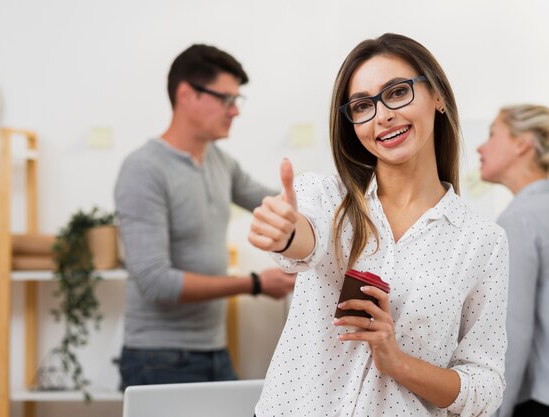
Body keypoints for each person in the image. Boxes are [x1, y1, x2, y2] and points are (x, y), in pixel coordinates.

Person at [247, 33, 509, 416]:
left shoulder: (481, 241)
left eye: (398, 93)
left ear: (436, 96)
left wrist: (398, 362)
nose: (382, 115)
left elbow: (485, 387)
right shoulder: (325, 197)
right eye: (361, 106)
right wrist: (286, 234)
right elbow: (305, 242)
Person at [114, 44, 296, 389]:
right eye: (227, 99)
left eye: (237, 101)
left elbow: (281, 201)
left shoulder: (220, 162)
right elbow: (156, 281)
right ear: (186, 94)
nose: (235, 112)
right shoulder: (143, 169)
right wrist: (255, 283)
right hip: (158, 358)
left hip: (213, 350)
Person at [478, 101, 549, 417]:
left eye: (492, 134)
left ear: (522, 144)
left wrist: (495, 411)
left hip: (539, 403)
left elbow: (512, 334)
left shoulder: (519, 220)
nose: (480, 147)